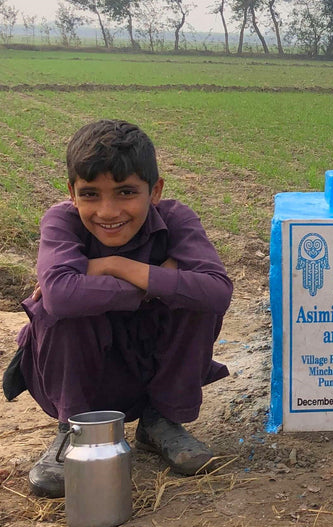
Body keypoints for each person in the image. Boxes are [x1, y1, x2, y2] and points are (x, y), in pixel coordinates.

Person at [3, 120, 234, 497]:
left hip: (148, 369)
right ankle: (74, 431)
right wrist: (153, 283)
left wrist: (115, 266)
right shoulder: (61, 221)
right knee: (59, 310)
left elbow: (216, 292)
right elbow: (60, 295)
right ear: (72, 194)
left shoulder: (176, 220)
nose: (108, 211)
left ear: (154, 191)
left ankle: (162, 421)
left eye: (126, 192)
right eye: (90, 194)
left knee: (195, 301)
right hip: (85, 379)